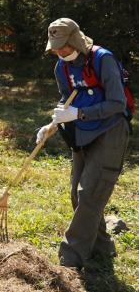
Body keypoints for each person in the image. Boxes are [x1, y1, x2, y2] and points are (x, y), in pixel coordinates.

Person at [37, 18, 131, 269]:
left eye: (63, 46)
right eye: (55, 47)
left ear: (76, 41)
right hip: (82, 134)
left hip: (110, 132)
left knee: (90, 193)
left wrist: (79, 114)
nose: (59, 52)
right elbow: (65, 101)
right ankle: (102, 247)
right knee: (78, 196)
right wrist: (51, 125)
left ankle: (71, 258)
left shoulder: (103, 60)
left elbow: (117, 104)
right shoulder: (61, 67)